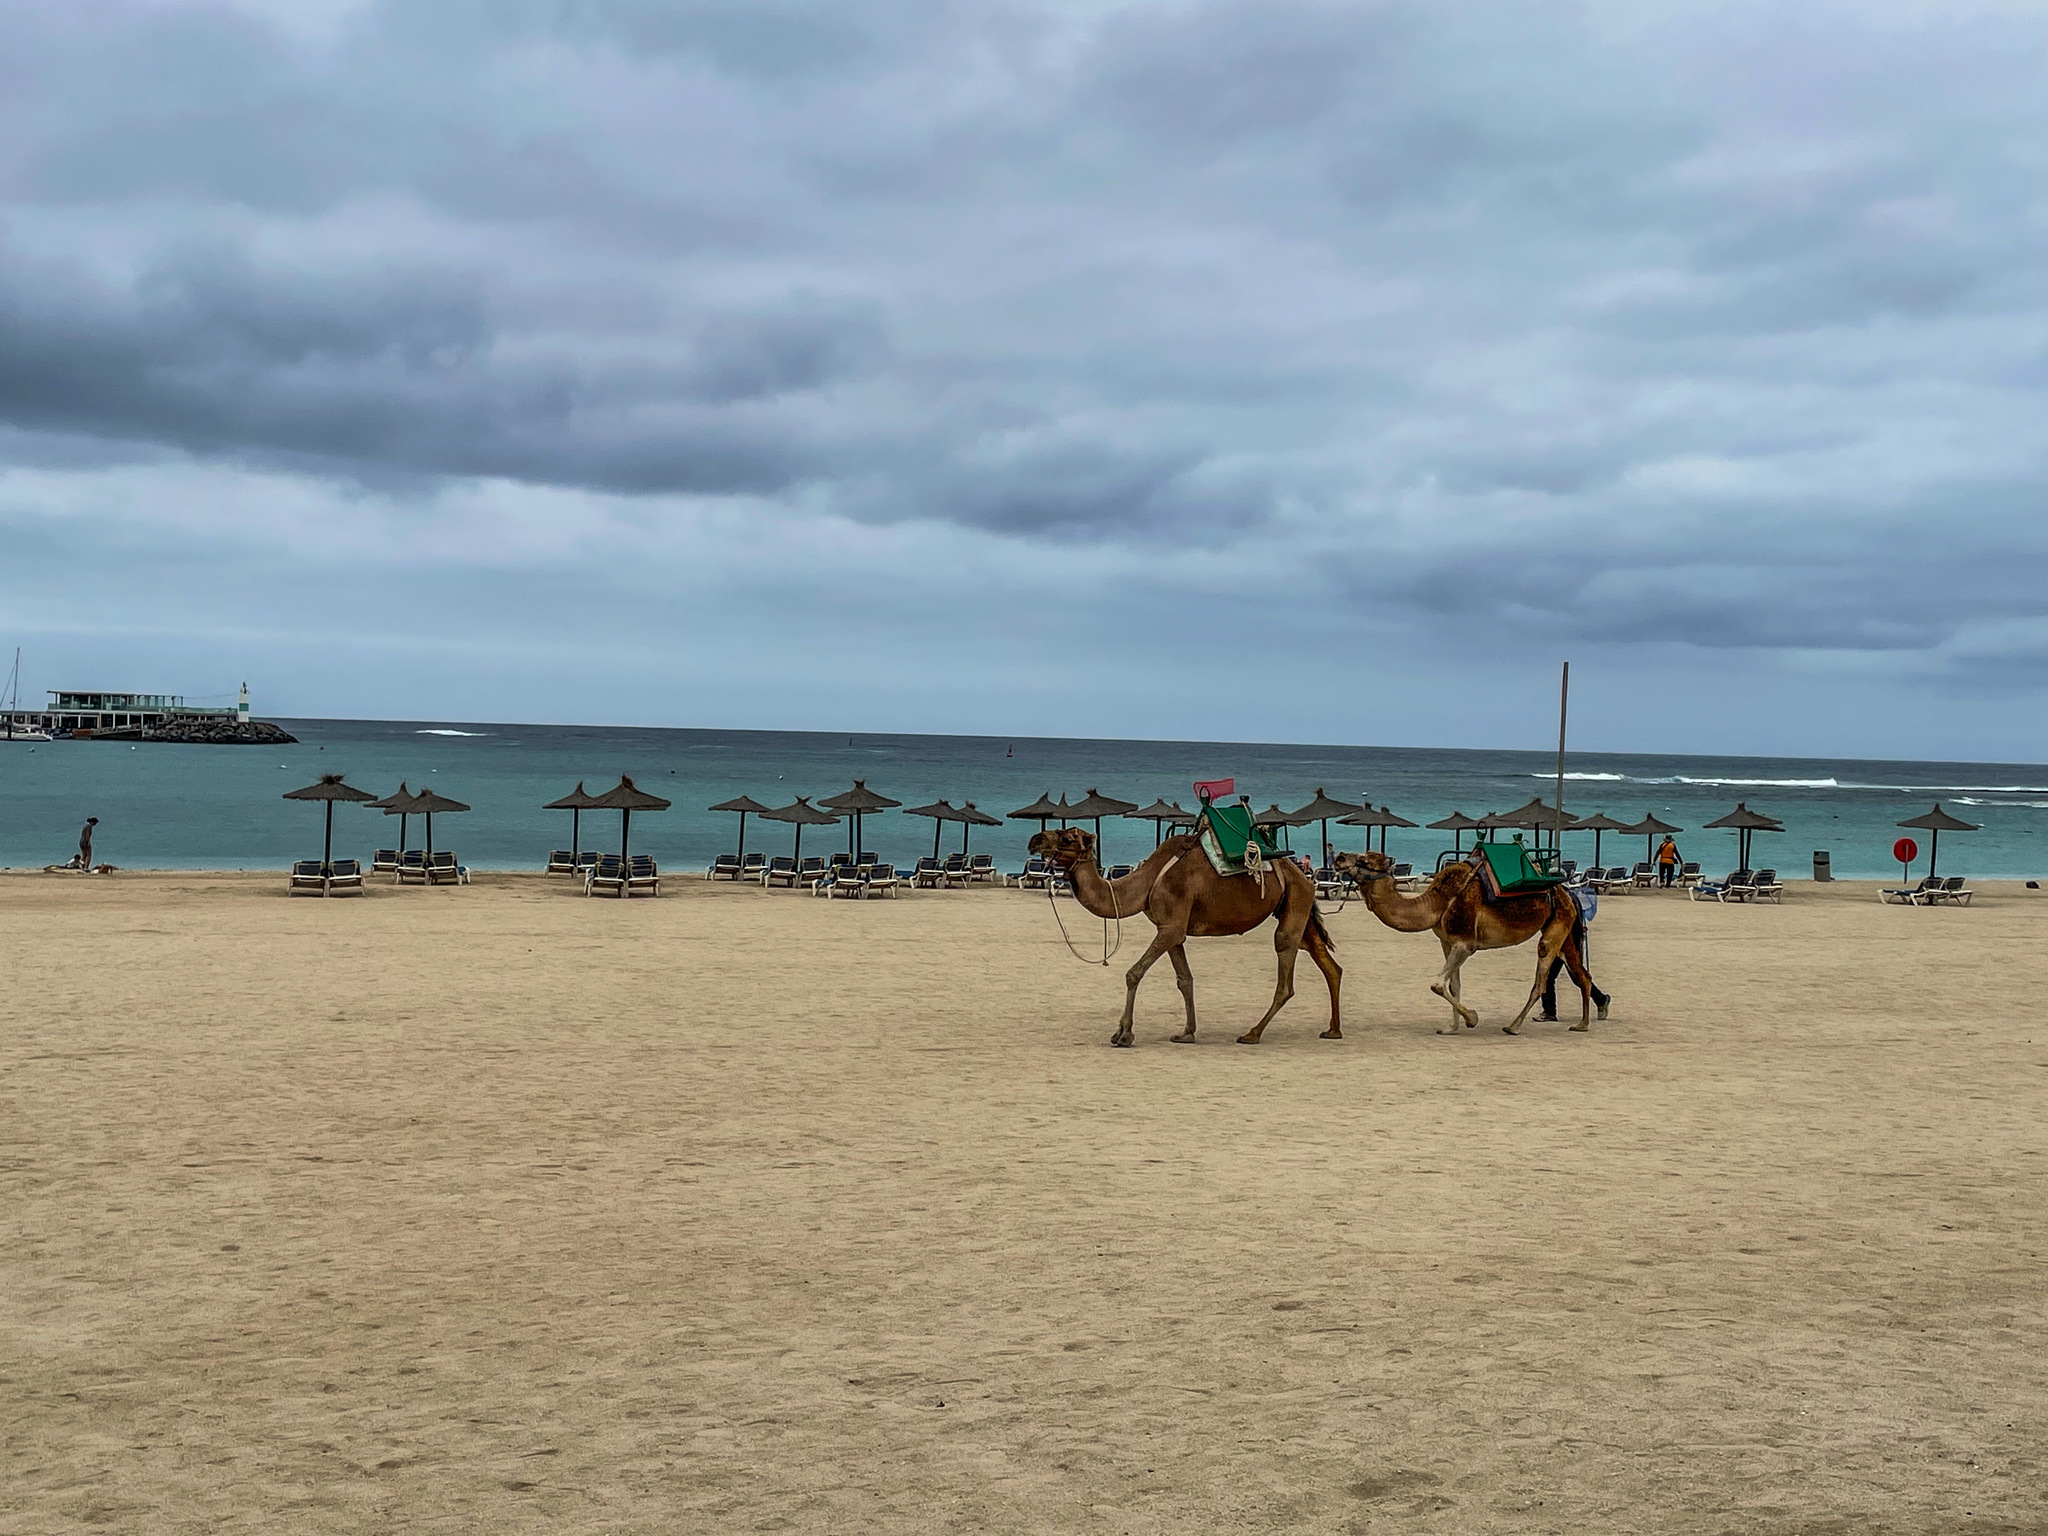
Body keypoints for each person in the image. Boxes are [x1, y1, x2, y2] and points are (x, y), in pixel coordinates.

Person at [1539, 881, 1611, 1022]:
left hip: (1566, 942)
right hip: (1562, 941)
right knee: (1559, 975)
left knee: (1571, 976)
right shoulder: (1565, 897)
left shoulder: (1565, 898)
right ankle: (1600, 999)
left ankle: (1550, 1011)